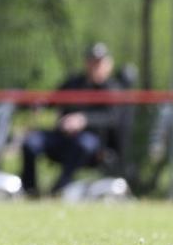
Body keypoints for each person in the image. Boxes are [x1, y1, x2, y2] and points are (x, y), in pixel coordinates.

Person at [19, 42, 124, 196]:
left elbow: (112, 117)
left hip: (94, 143)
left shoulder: (113, 88)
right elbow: (52, 100)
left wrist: (84, 120)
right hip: (62, 136)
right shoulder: (74, 82)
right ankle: (30, 190)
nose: (95, 66)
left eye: (99, 62)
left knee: (84, 143)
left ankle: (60, 188)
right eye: (92, 61)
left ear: (109, 64)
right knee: (31, 142)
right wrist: (39, 103)